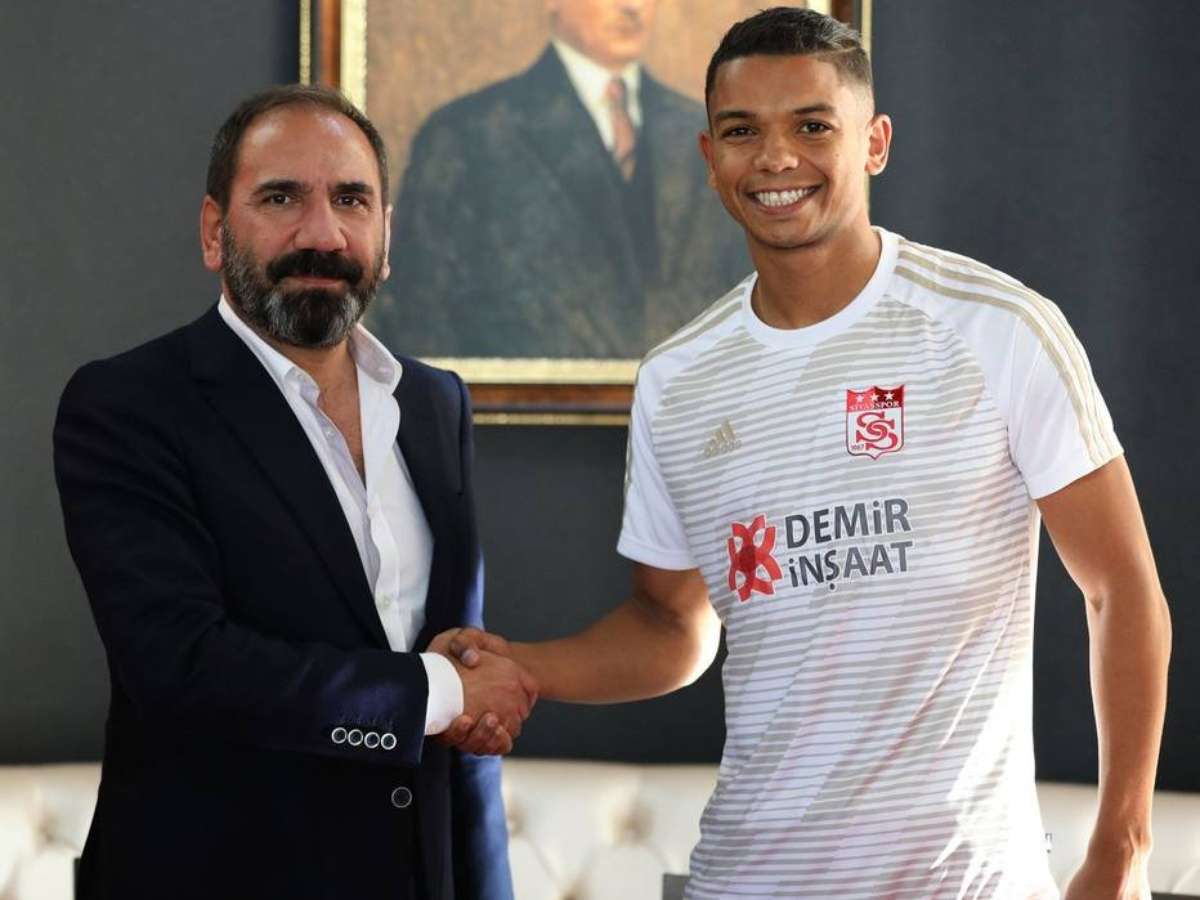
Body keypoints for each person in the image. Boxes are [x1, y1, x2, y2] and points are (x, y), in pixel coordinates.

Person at [437, 8, 1172, 898]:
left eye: (813, 126)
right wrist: (525, 668)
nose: (776, 158)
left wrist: (1123, 847)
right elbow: (671, 625)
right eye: (743, 131)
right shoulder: (678, 379)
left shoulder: (999, 328)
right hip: (747, 877)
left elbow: (1119, 588)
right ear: (710, 157)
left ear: (875, 143)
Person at [53, 85, 536, 900]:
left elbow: (460, 697)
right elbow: (180, 666)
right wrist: (437, 692)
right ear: (215, 231)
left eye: (352, 200)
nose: (323, 234)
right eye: (281, 198)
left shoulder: (434, 403)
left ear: (386, 235)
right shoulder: (130, 405)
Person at [372, 0, 749, 359]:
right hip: (517, 402)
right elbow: (417, 312)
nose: (632, 7)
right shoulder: (470, 134)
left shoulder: (704, 133)